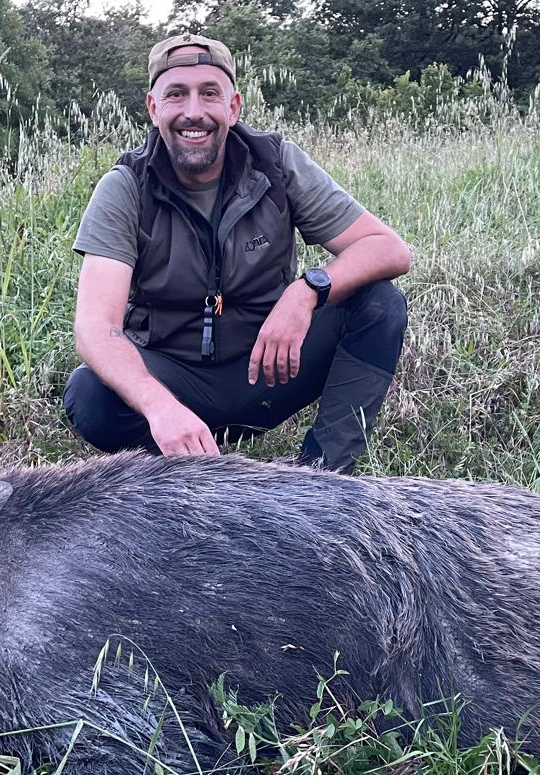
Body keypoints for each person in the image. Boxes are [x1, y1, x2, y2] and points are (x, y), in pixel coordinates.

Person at [63, 32, 413, 472]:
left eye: (210, 93)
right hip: (175, 382)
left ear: (233, 107)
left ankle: (323, 476)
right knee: (89, 394)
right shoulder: (125, 186)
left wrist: (307, 291)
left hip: (268, 372)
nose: (194, 111)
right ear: (153, 108)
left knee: (379, 303)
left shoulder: (276, 163)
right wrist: (159, 405)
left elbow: (389, 249)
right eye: (176, 94)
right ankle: (179, 469)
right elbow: (96, 328)